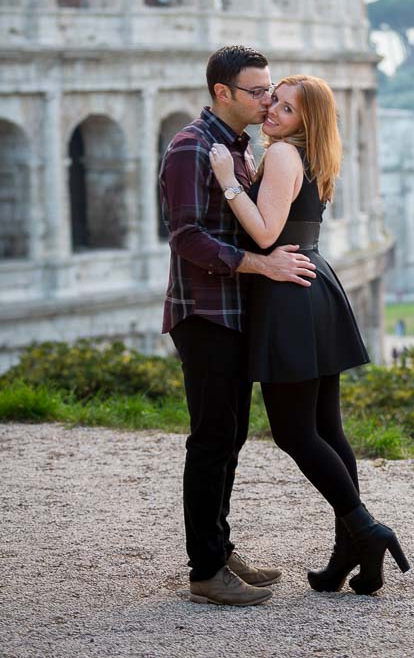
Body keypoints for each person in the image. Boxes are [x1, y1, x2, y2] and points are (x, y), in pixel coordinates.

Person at [209, 74, 410, 596]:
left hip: (288, 296)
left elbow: (266, 232)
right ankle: (351, 547)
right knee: (328, 427)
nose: (272, 110)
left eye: (287, 108)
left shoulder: (281, 156)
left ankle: (366, 530)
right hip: (315, 287)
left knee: (295, 432)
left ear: (307, 121)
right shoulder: (316, 156)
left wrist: (228, 179)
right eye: (273, 100)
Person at [159, 45, 318, 607]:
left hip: (233, 312)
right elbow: (185, 237)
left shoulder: (237, 148)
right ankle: (206, 569)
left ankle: (218, 548)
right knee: (210, 439)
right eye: (256, 91)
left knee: (228, 437)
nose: (267, 99)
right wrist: (262, 265)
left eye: (269, 89)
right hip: (203, 313)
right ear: (222, 93)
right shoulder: (190, 148)